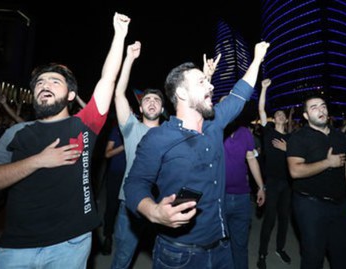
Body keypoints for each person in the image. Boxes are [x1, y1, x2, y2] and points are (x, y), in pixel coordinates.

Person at [0, 12, 131, 268]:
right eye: (40, 82)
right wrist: (38, 161)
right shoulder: (17, 133)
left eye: (55, 81)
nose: (45, 85)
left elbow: (107, 79)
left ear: (70, 95)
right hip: (17, 247)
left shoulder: (84, 124)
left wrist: (119, 35)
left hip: (71, 244)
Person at [124, 41, 269, 269]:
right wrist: (153, 211)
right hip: (178, 254)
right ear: (181, 92)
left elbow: (240, 93)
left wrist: (257, 58)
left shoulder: (215, 123)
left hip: (222, 249)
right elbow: (134, 184)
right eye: (201, 82)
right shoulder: (157, 139)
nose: (210, 86)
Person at [286, 94, 346, 269]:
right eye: (314, 108)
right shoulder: (299, 138)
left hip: (340, 204)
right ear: (306, 116)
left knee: (342, 255)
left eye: (323, 106)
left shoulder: (340, 136)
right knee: (313, 256)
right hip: (310, 205)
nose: (321, 110)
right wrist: (328, 162)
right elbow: (295, 171)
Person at [109, 40, 164, 269]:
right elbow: (119, 94)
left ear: (162, 109)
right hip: (130, 205)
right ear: (140, 109)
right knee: (122, 258)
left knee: (164, 259)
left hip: (162, 205)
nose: (151, 102)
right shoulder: (131, 128)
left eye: (156, 100)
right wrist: (129, 59)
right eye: (147, 100)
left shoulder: (170, 133)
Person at [222, 97, 266, 269]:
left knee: (240, 245)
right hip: (219, 197)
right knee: (221, 245)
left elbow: (252, 160)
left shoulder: (245, 133)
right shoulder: (213, 130)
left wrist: (261, 187)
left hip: (242, 197)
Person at [256, 78, 293, 268]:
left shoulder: (291, 139)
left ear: (286, 120)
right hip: (271, 181)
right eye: (276, 114)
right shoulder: (269, 132)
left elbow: (298, 158)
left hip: (287, 183)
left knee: (284, 219)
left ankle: (280, 248)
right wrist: (263, 89)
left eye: (282, 114)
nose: (279, 115)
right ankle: (262, 254)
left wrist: (288, 149)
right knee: (269, 220)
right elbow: (261, 110)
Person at [100, 123, 126, 256]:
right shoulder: (117, 130)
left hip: (132, 175)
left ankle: (125, 242)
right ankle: (108, 237)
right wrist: (123, 146)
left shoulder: (139, 128)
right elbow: (107, 153)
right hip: (115, 174)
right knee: (111, 207)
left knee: (129, 210)